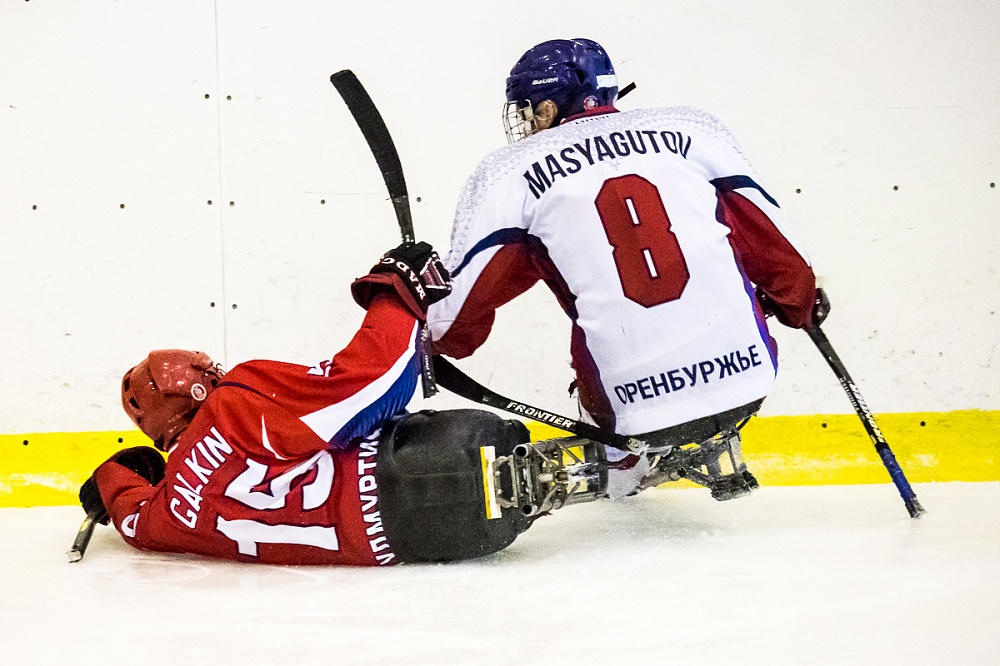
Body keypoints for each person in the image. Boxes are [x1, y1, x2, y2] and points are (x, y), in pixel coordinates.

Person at [426, 38, 829, 497]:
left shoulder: (510, 172)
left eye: (528, 111)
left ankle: (620, 463)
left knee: (604, 349)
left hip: (629, 409)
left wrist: (416, 312)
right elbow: (783, 258)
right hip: (750, 380)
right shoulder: (692, 128)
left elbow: (452, 324)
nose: (527, 123)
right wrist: (798, 306)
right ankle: (708, 440)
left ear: (548, 107)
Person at [78, 242, 537, 565]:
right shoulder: (232, 406)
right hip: (428, 465)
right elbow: (368, 388)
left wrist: (113, 475)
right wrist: (395, 291)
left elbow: (132, 517)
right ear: (198, 387)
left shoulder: (168, 515)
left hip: (426, 539)